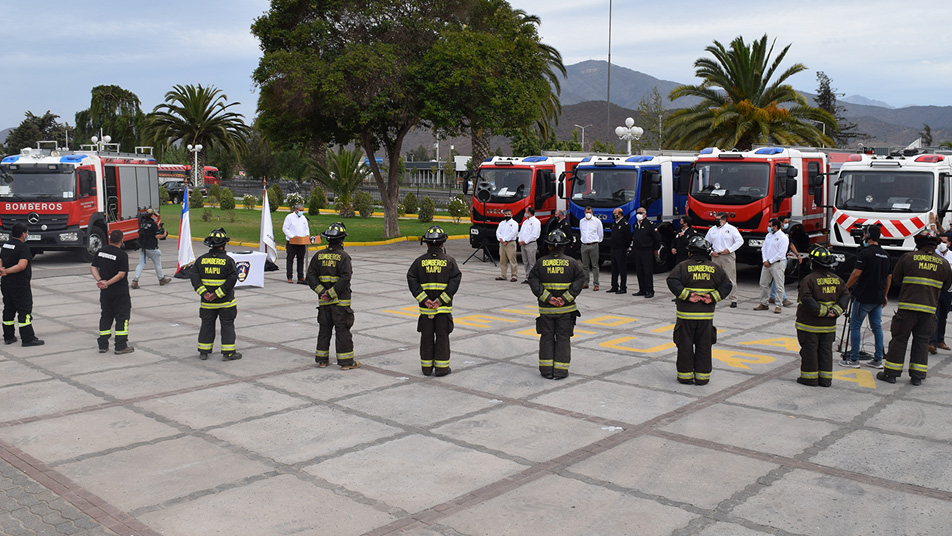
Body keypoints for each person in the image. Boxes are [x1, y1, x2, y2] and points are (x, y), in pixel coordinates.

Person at [878, 230, 952, 386]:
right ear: (936, 244)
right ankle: (917, 376)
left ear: (918, 243)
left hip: (907, 309)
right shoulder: (944, 264)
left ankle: (891, 374)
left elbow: (896, 279)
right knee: (922, 342)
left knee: (899, 339)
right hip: (929, 311)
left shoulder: (908, 258)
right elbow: (946, 287)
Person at [666, 236, 732, 385]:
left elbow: (672, 281)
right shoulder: (715, 268)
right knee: (704, 346)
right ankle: (702, 378)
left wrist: (687, 296)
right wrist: (713, 297)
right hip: (706, 318)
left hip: (685, 316)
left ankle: (685, 377)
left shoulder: (682, 266)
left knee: (684, 346)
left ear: (690, 251)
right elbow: (727, 285)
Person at [528, 229, 585, 379]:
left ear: (548, 246)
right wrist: (565, 298)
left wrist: (548, 298)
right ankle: (560, 371)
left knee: (546, 338)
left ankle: (546, 371)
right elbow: (581, 280)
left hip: (546, 311)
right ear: (564, 247)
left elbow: (532, 280)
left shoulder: (540, 263)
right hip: (566, 311)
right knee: (563, 338)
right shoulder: (572, 263)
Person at [407, 226, 462, 376]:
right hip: (443, 310)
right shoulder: (449, 261)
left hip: (426, 310)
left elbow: (411, 279)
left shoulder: (419, 262)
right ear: (443, 244)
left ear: (427, 244)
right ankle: (442, 368)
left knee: (426, 338)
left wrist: (424, 299)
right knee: (442, 337)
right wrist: (440, 300)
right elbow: (455, 281)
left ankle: (426, 368)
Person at [307, 222, 359, 369]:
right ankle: (346, 363)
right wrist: (331, 293)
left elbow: (311, 277)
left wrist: (322, 292)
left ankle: (322, 360)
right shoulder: (344, 257)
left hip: (324, 303)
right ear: (341, 240)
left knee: (324, 330)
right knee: (342, 331)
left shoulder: (318, 256)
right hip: (340, 304)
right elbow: (345, 278)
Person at [795, 247, 849, 387]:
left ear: (813, 262)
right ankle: (825, 380)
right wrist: (836, 311)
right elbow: (845, 295)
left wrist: (823, 311)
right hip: (829, 326)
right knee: (825, 351)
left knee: (810, 350)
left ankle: (810, 378)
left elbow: (806, 299)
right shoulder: (838, 280)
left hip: (810, 325)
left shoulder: (808, 280)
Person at [841, 225, 891, 369]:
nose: (862, 237)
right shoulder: (885, 255)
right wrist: (885, 295)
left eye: (864, 234)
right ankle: (877, 359)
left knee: (855, 326)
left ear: (868, 235)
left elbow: (856, 274)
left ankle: (854, 359)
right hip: (878, 298)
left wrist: (845, 288)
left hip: (864, 296)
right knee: (877, 328)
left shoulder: (865, 253)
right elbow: (889, 277)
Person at [191, 228, 241, 361]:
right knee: (227, 325)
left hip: (207, 303)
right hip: (226, 302)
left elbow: (194, 279)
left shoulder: (200, 260)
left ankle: (204, 351)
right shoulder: (228, 261)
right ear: (223, 244)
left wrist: (205, 294)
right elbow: (232, 280)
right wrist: (217, 294)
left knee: (206, 325)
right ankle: (228, 353)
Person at [0, 223, 43, 346]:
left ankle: (8, 336)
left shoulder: (6, 245)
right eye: (27, 232)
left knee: (8, 309)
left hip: (6, 284)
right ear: (23, 233)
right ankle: (28, 338)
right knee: (24, 310)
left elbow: (1, 260)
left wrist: (2, 270)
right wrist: (7, 271)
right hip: (20, 284)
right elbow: (21, 266)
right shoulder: (23, 247)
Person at [90, 230, 133, 354]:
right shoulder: (122, 255)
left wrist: (100, 281)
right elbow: (121, 274)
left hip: (105, 292)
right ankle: (121, 345)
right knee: (122, 317)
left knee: (106, 315)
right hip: (119, 292)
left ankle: (103, 345)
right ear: (122, 240)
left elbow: (93, 267)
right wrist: (108, 282)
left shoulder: (101, 251)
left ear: (109, 239)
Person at [704, 212, 743, 308]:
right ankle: (712, 298)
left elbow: (740, 241)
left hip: (727, 256)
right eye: (716, 219)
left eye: (718, 219)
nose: (716, 221)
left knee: (730, 278)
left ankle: (733, 299)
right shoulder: (712, 230)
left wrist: (729, 250)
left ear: (724, 220)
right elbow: (706, 242)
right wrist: (711, 252)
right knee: (714, 278)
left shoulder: (731, 229)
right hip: (715, 256)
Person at [754, 218, 788, 314]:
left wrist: (770, 261)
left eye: (770, 226)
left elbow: (781, 253)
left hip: (777, 263)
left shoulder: (783, 237)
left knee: (779, 285)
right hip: (766, 264)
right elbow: (764, 249)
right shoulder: (768, 236)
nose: (768, 228)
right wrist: (765, 260)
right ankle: (764, 303)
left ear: (775, 226)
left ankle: (778, 305)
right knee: (763, 284)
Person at [132, 209, 171, 289]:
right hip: (152, 248)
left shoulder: (143, 223)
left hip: (143, 248)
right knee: (157, 264)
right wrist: (164, 235)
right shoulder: (153, 224)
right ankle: (161, 279)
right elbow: (157, 236)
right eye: (155, 215)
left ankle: (135, 281)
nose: (156, 217)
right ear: (152, 215)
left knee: (141, 264)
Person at [929, 231, 952, 354]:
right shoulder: (934, 255)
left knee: (943, 316)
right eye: (940, 242)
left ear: (949, 244)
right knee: (934, 316)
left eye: (944, 242)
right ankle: (931, 342)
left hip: (948, 291)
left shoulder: (951, 256)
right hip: (935, 290)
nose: (941, 245)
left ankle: (940, 340)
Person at [630, 207, 660, 298]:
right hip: (638, 250)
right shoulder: (635, 224)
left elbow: (657, 238)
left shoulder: (650, 224)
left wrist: (656, 249)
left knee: (647, 271)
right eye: (637, 213)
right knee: (639, 271)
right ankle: (642, 289)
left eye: (640, 213)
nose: (638, 214)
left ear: (645, 214)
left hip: (647, 250)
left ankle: (649, 290)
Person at [769, 215, 799, 306]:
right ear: (780, 223)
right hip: (772, 259)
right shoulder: (771, 234)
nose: (787, 224)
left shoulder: (785, 234)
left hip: (781, 259)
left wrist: (797, 255)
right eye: (785, 222)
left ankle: (773, 296)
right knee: (780, 279)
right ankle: (783, 298)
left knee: (778, 278)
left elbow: (791, 245)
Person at [282, 203, 312, 284]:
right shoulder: (289, 217)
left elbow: (306, 228)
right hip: (292, 242)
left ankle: (300, 276)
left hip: (302, 242)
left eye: (303, 210)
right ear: (296, 210)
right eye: (300, 210)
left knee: (301, 259)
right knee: (290, 259)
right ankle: (289, 277)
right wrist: (292, 236)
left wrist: (307, 236)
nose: (301, 212)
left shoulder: (304, 218)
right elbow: (285, 228)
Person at [578, 206, 603, 290]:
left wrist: (597, 241)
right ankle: (585, 282)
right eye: (586, 212)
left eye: (589, 212)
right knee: (585, 265)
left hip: (594, 245)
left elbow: (600, 233)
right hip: (584, 245)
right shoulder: (582, 221)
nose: (588, 214)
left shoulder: (597, 221)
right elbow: (581, 232)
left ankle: (596, 283)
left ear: (592, 213)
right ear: (584, 212)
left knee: (595, 265)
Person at [607, 208, 631, 294]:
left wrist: (626, 247)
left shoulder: (625, 224)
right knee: (614, 268)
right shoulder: (614, 223)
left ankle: (623, 287)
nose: (613, 215)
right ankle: (614, 286)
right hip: (613, 248)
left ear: (620, 214)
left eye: (615, 213)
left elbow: (628, 237)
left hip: (621, 249)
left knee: (622, 269)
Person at [518, 207, 541, 284]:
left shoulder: (536, 222)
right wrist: (520, 240)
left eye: (526, 212)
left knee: (532, 262)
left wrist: (526, 241)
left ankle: (533, 278)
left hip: (530, 244)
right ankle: (527, 277)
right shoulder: (525, 222)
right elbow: (521, 232)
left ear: (529, 212)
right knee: (525, 262)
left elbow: (534, 234)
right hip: (523, 244)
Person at [495, 208, 519, 282]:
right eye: (506, 214)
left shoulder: (514, 223)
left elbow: (513, 233)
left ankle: (514, 276)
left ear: (511, 215)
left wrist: (506, 240)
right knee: (502, 260)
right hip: (502, 244)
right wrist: (501, 239)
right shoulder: (501, 223)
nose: (507, 215)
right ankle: (503, 275)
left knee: (512, 260)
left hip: (510, 243)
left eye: (508, 214)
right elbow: (498, 232)